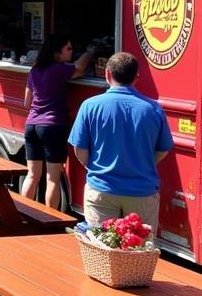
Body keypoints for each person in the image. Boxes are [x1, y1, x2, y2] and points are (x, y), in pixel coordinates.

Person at [68, 52, 173, 228]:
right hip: (142, 191)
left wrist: (95, 167)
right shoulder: (154, 109)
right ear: (137, 76)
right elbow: (163, 149)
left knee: (101, 247)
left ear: (107, 74)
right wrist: (144, 164)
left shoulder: (90, 105)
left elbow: (79, 149)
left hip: (102, 189)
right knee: (139, 251)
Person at [21, 33, 94, 208]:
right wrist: (90, 52)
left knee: (32, 175)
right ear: (56, 53)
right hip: (52, 126)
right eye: (68, 49)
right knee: (52, 178)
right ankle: (49, 221)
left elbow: (26, 102)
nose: (71, 51)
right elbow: (80, 67)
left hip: (31, 125)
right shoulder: (60, 69)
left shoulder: (35, 69)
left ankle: (23, 213)